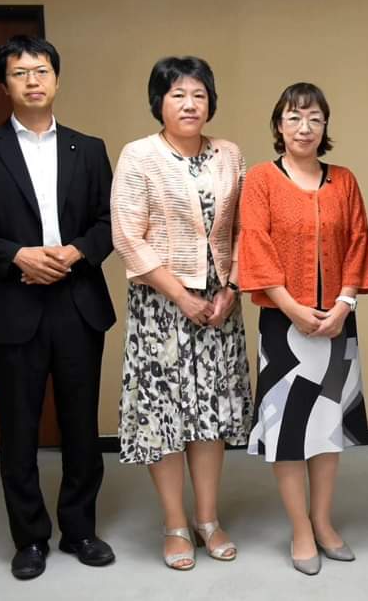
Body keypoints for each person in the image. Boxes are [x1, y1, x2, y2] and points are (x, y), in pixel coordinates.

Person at [111, 56, 251, 571]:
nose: (190, 104)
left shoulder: (230, 154)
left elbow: (245, 229)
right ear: (159, 103)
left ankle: (207, 519)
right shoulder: (139, 155)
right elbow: (127, 236)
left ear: (211, 102)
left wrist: (231, 287)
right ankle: (174, 523)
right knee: (165, 414)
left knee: (211, 413)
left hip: (219, 305)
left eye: (199, 94)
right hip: (162, 305)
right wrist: (181, 295)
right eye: (178, 95)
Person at [0, 36, 116, 579]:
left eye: (41, 71)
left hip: (77, 301)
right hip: (11, 304)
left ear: (57, 79)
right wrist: (15, 255)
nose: (32, 80)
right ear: (5, 85)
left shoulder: (88, 148)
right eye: (20, 73)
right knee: (19, 430)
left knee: (80, 425)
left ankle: (80, 529)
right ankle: (30, 539)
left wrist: (77, 251)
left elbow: (111, 222)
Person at [238, 82, 368, 575]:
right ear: (279, 125)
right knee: (288, 430)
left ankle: (323, 522)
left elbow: (359, 242)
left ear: (325, 127)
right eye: (294, 118)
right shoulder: (262, 179)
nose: (305, 127)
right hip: (284, 325)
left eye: (315, 118)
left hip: (338, 321)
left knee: (327, 425)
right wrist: (291, 307)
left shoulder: (344, 181)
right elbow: (254, 244)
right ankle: (300, 529)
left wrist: (343, 304)